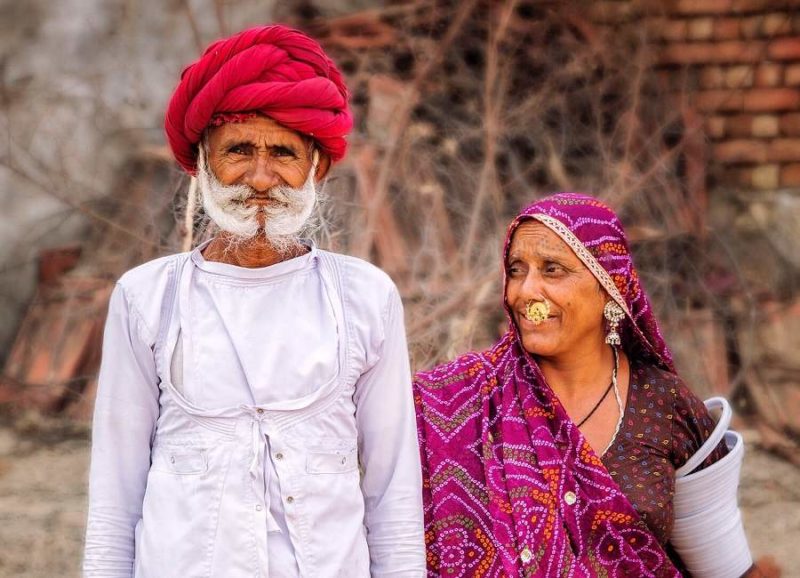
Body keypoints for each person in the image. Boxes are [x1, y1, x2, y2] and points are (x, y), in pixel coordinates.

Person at [83, 24, 425, 577]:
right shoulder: (146, 298)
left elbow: (394, 493)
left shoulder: (367, 296)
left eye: (284, 153)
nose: (261, 177)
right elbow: (114, 497)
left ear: (316, 166)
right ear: (202, 162)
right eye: (239, 150)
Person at [414, 193, 753, 576]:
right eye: (515, 270)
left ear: (609, 287)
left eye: (552, 269)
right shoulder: (455, 401)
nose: (525, 293)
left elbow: (724, 565)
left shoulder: (663, 403)